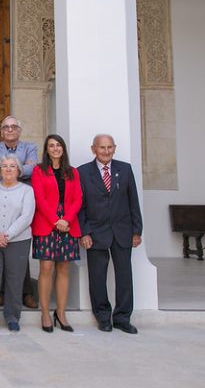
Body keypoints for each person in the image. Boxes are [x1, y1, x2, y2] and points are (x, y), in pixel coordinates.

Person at [78, 134, 143, 334]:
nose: (106, 151)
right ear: (93, 149)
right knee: (97, 277)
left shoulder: (125, 169)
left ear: (114, 148)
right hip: (96, 232)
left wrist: (137, 230)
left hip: (122, 231)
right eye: (101, 147)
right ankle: (103, 316)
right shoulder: (82, 172)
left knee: (124, 275)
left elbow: (133, 200)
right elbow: (80, 206)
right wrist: (84, 232)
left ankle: (123, 317)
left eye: (109, 147)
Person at [0, 116, 39, 309]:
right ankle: (0, 292)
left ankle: (26, 293)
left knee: (18, 252)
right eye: (6, 127)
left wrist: (10, 172)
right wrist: (20, 168)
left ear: (19, 130)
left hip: (23, 202)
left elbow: (35, 171)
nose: (9, 130)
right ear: (1, 131)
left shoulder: (30, 147)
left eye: (13, 126)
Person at [31, 134, 82, 333]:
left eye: (58, 145)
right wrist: (55, 220)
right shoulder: (38, 170)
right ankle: (45, 313)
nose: (55, 148)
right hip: (47, 223)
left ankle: (61, 313)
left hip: (68, 224)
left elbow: (78, 198)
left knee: (64, 268)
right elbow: (39, 198)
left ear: (63, 148)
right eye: (51, 145)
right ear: (46, 150)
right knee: (46, 267)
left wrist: (66, 220)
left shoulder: (73, 172)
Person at [0, 154, 35, 333]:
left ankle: (12, 317)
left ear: (19, 170)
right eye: (4, 166)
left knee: (15, 279)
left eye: (12, 166)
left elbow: (27, 216)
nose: (9, 169)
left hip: (18, 241)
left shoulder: (27, 191)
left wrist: (7, 235)